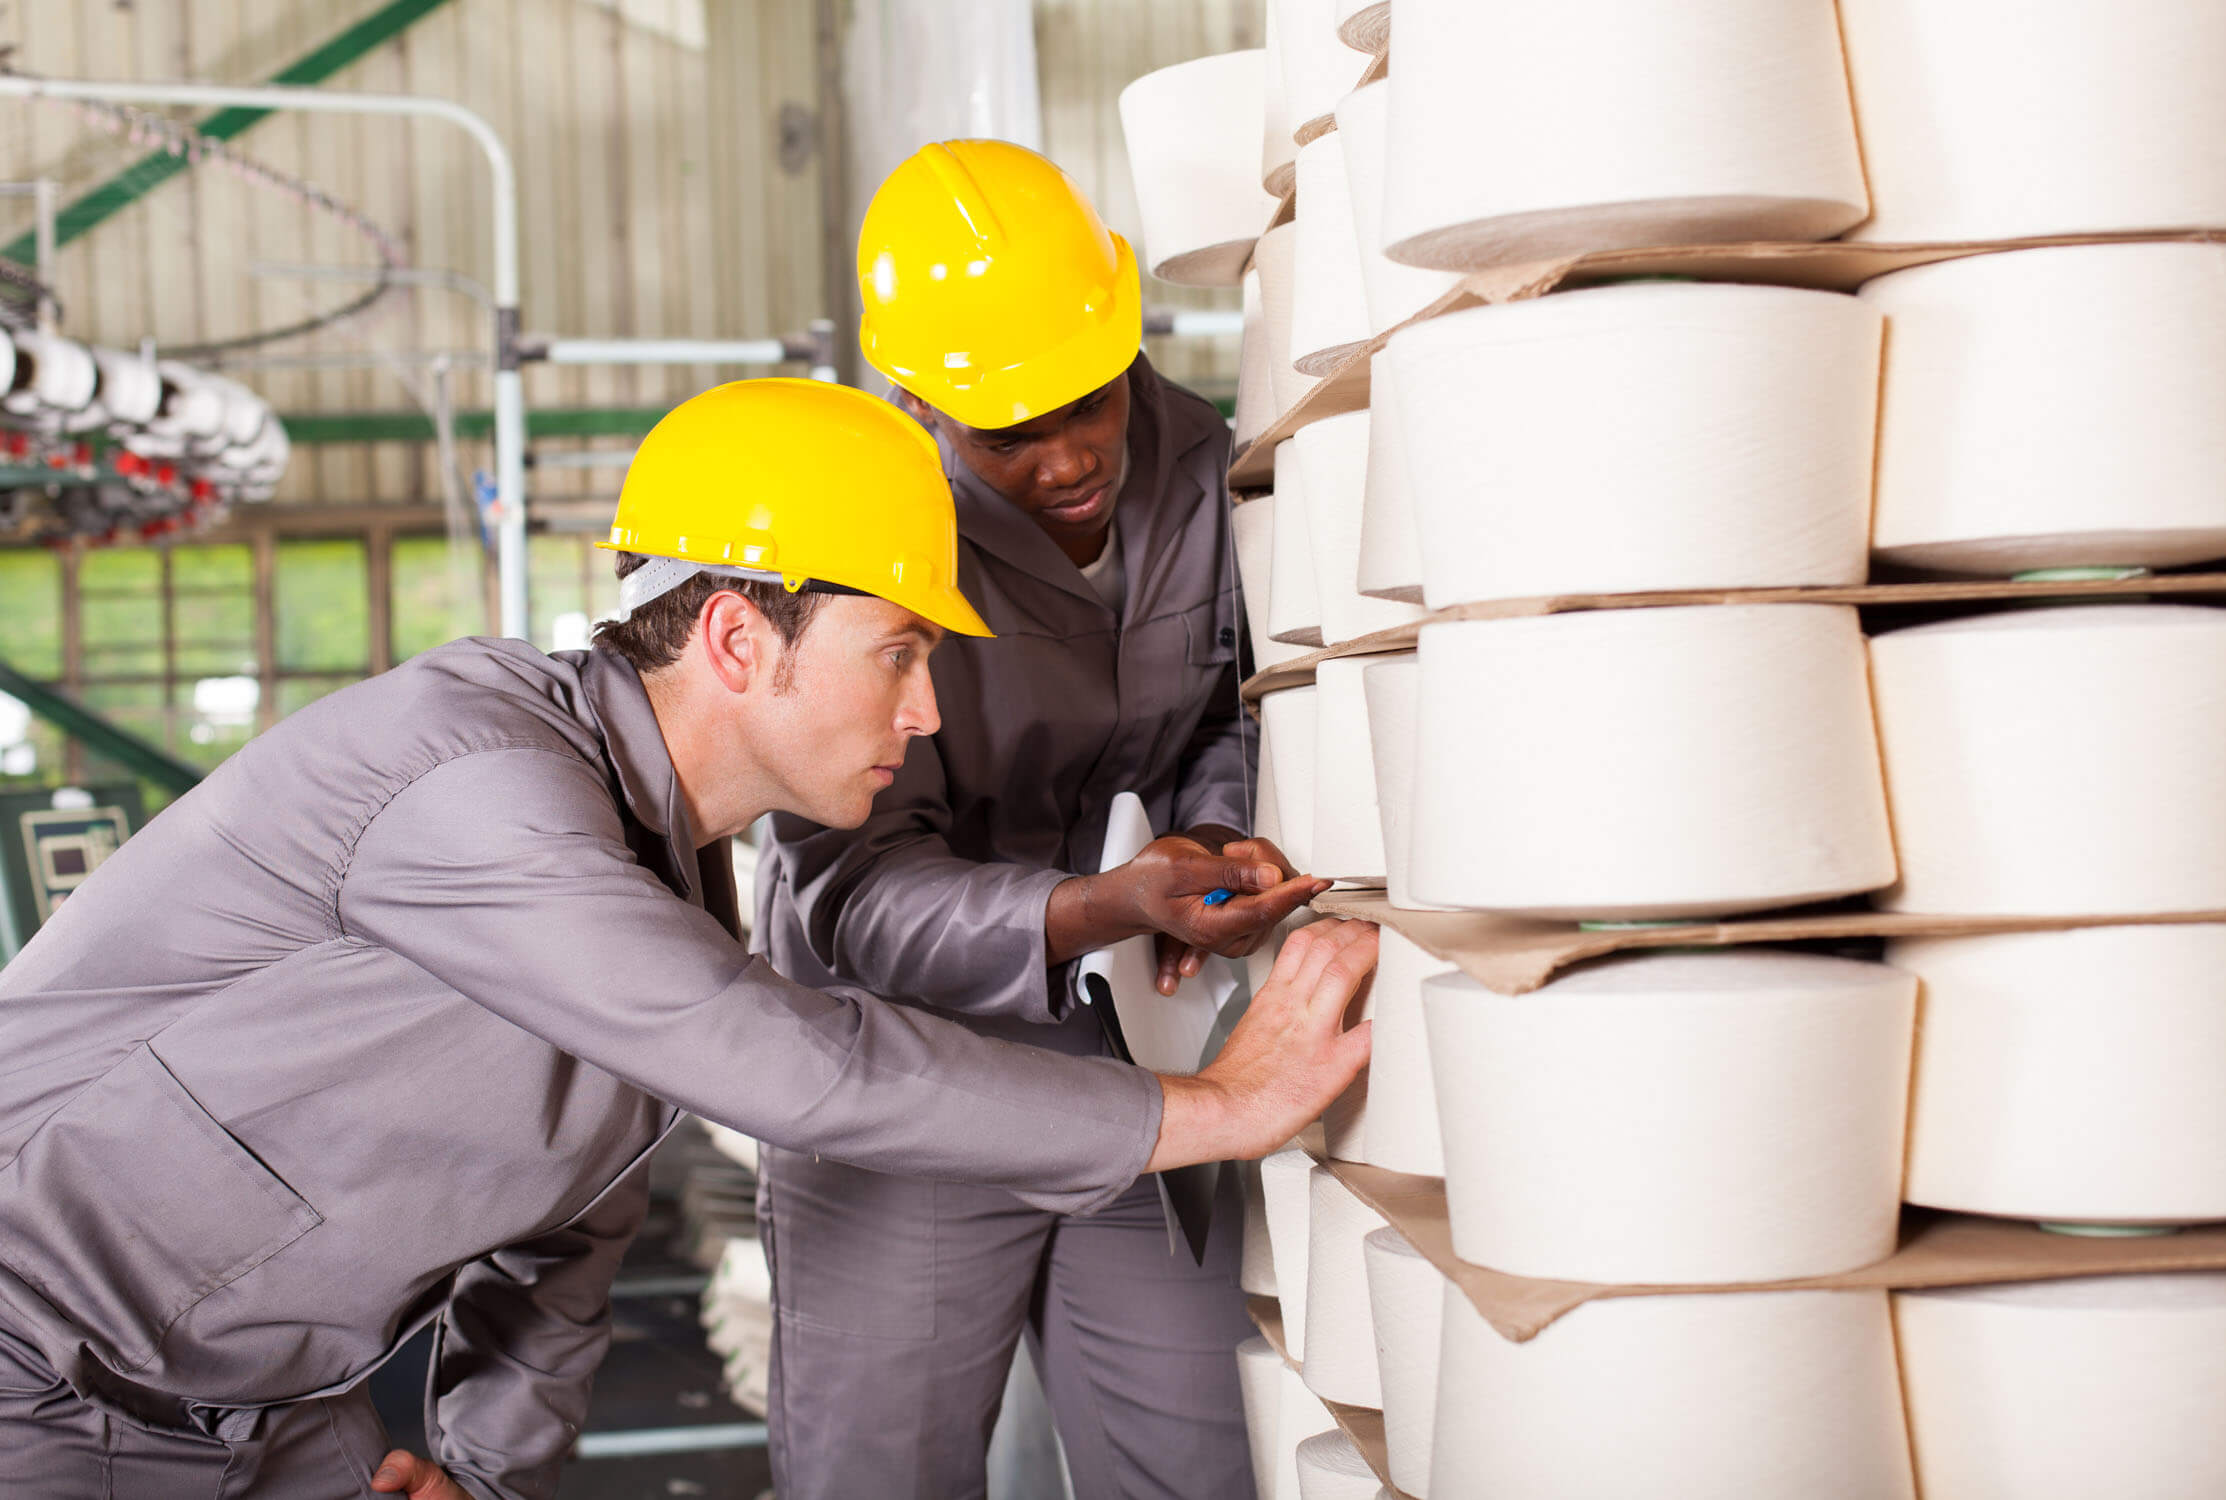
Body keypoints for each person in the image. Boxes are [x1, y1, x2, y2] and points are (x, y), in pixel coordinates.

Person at [0, 378, 1376, 1500]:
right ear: (734, 638)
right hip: (33, 1386)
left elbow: (564, 1233)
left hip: (268, 1414)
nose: (928, 714)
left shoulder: (662, 871)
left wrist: (484, 1471)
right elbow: (794, 1064)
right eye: (899, 654)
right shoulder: (474, 778)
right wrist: (1210, 1107)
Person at [756, 141, 1313, 1500]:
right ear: (914, 397)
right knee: (879, 1473)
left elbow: (1231, 706)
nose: (1067, 459)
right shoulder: (852, 544)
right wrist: (1101, 906)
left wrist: (1210, 841)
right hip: (899, 1082)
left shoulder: (1202, 463)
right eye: (1009, 430)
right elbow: (854, 894)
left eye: (1086, 401)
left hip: (1126, 1057)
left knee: (1196, 1457)